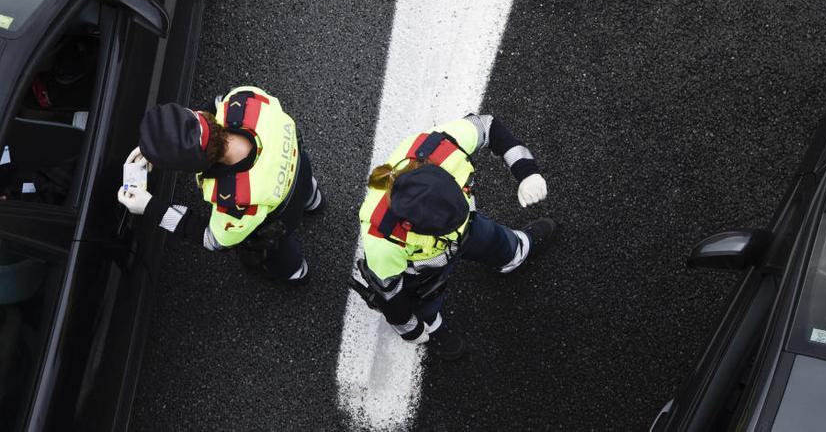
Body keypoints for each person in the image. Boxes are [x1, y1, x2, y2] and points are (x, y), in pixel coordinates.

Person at [349, 114, 555, 361]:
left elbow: (488, 127)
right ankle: (432, 327)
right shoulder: (381, 238)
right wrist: (410, 328)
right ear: (407, 224)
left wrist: (527, 171)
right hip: (422, 271)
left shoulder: (441, 148)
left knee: (498, 242)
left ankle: (516, 253)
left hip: (469, 226)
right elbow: (391, 293)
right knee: (424, 303)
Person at [117, 86, 323, 283]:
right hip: (301, 167)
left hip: (284, 216)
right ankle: (315, 201)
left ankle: (296, 273)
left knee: (271, 250)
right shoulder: (242, 98)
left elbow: (213, 239)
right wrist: (159, 149)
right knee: (306, 189)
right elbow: (211, 110)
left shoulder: (236, 204)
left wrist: (151, 207)